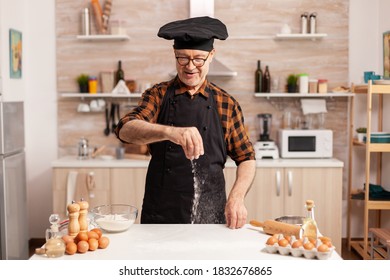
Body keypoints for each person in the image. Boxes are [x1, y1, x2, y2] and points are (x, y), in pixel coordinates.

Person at [115, 16, 256, 229]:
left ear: (211, 56)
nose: (190, 67)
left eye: (198, 58)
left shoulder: (226, 103)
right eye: (183, 58)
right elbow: (125, 129)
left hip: (211, 218)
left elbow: (246, 158)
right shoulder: (157, 95)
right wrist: (171, 132)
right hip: (161, 217)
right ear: (175, 55)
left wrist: (237, 197)